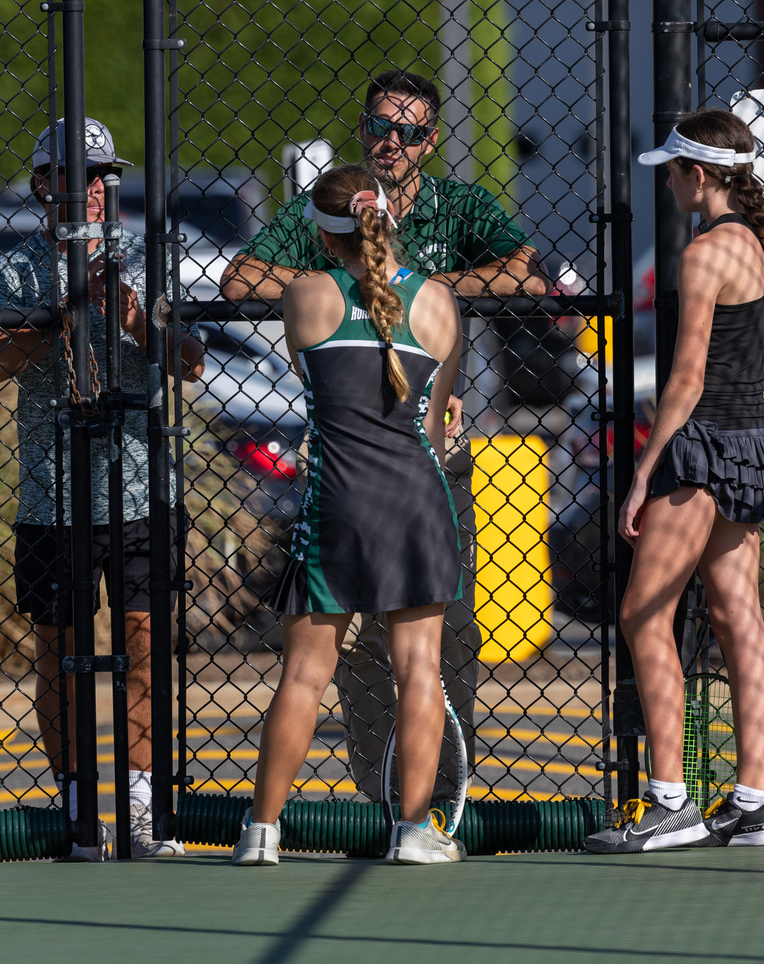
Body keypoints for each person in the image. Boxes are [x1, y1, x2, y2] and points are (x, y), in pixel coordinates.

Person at [222, 70, 550, 804]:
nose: (390, 142)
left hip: (434, 454)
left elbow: (527, 274)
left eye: (408, 132)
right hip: (349, 459)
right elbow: (241, 279)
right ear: (364, 128)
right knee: (357, 654)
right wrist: (373, 290)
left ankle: (433, 798)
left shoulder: (457, 206)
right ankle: (383, 793)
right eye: (379, 127)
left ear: (430, 142)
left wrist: (416, 292)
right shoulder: (333, 204)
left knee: (442, 643)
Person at [0, 117, 206, 860]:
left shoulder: (147, 256)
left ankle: (139, 800)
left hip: (141, 488)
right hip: (53, 496)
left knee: (145, 641)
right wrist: (66, 309)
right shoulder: (12, 271)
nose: (97, 189)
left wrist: (129, 314)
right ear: (44, 185)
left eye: (106, 175)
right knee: (60, 649)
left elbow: (191, 360)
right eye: (79, 175)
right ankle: (78, 803)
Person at [232, 164, 465, 866]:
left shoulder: (304, 297)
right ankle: (414, 832)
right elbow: (433, 418)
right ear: (389, 220)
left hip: (337, 499)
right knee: (420, 667)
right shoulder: (440, 304)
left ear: (323, 233)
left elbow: (317, 381)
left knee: (304, 672)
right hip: (415, 501)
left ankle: (261, 833)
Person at [583, 109, 764, 853]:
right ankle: (753, 801)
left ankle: (671, 801)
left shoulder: (705, 253)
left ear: (696, 175)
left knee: (644, 616)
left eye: (672, 172)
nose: (669, 183)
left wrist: (646, 472)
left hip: (702, 449)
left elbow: (685, 377)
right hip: (751, 447)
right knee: (741, 619)